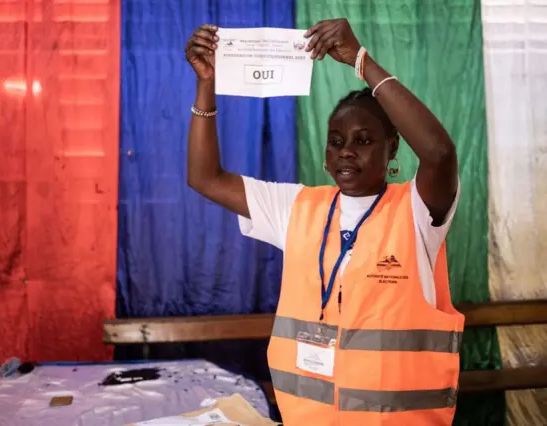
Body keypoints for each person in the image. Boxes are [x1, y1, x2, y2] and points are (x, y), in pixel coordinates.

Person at [185, 18, 464, 426]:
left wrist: (360, 60)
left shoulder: (417, 211)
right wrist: (206, 83)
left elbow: (439, 153)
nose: (347, 152)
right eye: (337, 141)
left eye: (363, 141)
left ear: (392, 149)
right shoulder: (298, 206)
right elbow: (205, 178)